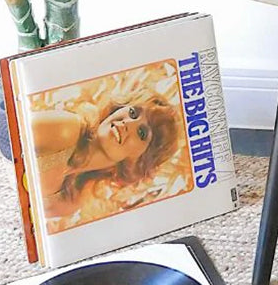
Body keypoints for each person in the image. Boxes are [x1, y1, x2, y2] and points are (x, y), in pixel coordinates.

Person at [30, 93, 182, 220]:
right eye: (133, 113)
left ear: (140, 160)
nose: (127, 123)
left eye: (142, 132)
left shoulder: (72, 201)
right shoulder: (66, 128)